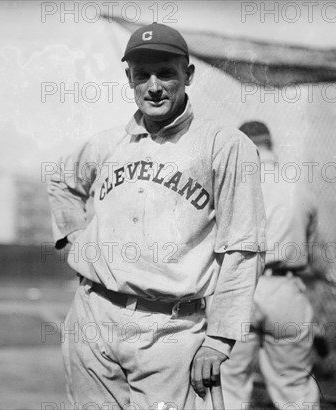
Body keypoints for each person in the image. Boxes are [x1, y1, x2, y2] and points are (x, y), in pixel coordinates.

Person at [48, 22, 267, 409]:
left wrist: (219, 339)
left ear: (189, 74)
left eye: (166, 72)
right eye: (141, 75)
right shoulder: (106, 143)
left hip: (170, 328)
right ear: (128, 79)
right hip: (92, 315)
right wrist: (72, 241)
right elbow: (62, 182)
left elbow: (243, 246)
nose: (153, 86)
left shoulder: (224, 146)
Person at [220, 121, 321, 409]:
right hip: (286, 287)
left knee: (228, 384)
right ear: (270, 145)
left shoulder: (233, 185)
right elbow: (307, 251)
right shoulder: (299, 190)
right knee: (293, 386)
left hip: (239, 287)